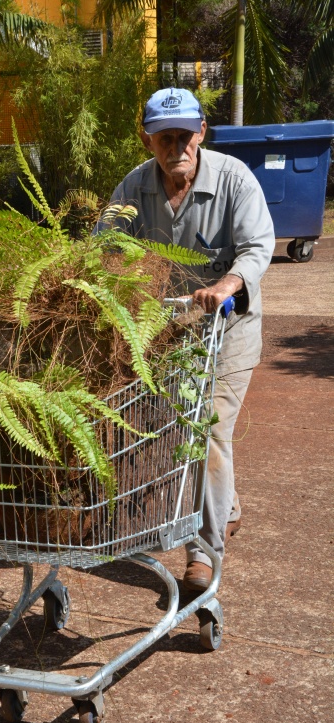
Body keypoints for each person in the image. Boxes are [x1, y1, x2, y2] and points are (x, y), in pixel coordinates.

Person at [97, 87, 275, 591]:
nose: (177, 147)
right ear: (148, 139)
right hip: (169, 335)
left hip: (231, 330)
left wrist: (226, 285)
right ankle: (228, 505)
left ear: (202, 132)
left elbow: (258, 246)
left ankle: (204, 555)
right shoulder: (132, 189)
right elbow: (103, 247)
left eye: (185, 135)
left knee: (208, 433)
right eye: (164, 138)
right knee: (178, 427)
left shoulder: (235, 180)